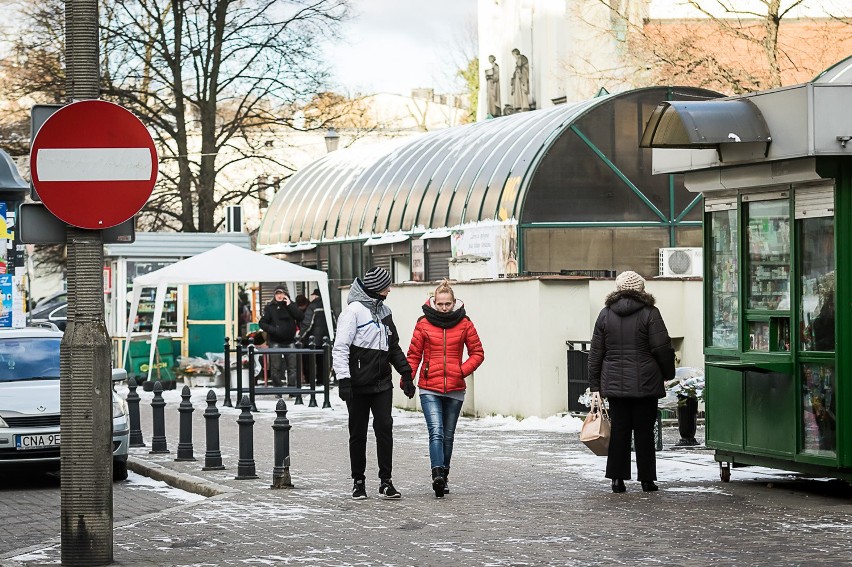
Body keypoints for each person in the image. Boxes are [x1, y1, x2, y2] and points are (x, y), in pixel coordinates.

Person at [587, 271, 674, 493]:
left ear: (618, 289)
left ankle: (617, 479)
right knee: (645, 432)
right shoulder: (650, 313)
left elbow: (596, 352)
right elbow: (661, 348)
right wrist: (668, 372)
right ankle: (647, 480)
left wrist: (595, 385)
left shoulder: (605, 314)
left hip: (615, 385)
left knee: (620, 431)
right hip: (646, 383)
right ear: (641, 290)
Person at [332, 267, 413, 499]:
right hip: (357, 385)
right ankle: (358, 481)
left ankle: (386, 481)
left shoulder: (385, 311)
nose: (389, 290)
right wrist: (344, 380)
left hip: (381, 384)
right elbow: (341, 347)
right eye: (387, 286)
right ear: (377, 288)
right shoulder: (353, 311)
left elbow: (393, 347)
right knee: (358, 433)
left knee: (385, 428)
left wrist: (405, 374)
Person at [406, 280, 484, 498]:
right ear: (434, 301)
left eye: (447, 304)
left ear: (454, 302)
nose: (444, 308)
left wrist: (461, 371)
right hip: (429, 387)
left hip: (455, 389)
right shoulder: (423, 323)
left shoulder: (465, 323)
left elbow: (478, 352)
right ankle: (437, 474)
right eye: (440, 304)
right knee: (436, 432)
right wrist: (407, 378)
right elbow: (413, 355)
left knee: (448, 435)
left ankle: (445, 476)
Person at [259, 286, 304, 388]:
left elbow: (300, 317)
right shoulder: (270, 308)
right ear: (274, 295)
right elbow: (262, 323)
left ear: (285, 295)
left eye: (281, 293)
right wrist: (273, 330)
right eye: (277, 293)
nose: (279, 296)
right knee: (276, 367)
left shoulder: (291, 306)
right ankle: (278, 389)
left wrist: (290, 305)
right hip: (275, 341)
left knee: (292, 367)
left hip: (290, 340)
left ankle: (292, 389)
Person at [298, 289, 331, 384]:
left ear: (316, 296)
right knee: (323, 362)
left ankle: (310, 381)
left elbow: (307, 324)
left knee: (310, 362)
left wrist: (300, 337)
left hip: (312, 340)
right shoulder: (328, 306)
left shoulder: (312, 306)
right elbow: (334, 321)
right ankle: (322, 380)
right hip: (325, 340)